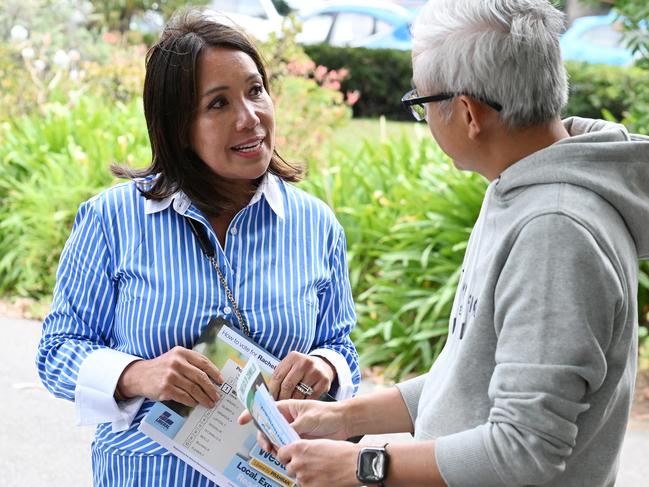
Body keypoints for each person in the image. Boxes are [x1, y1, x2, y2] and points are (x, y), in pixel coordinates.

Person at [240, 0, 649, 485]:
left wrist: (362, 466)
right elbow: (471, 378)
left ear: (469, 113)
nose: (426, 118)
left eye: (423, 103)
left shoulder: (554, 231)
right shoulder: (520, 185)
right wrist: (343, 419)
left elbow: (525, 450)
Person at [36, 8, 360, 485]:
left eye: (255, 91)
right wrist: (136, 374)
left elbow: (341, 345)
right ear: (178, 127)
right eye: (218, 104)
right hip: (145, 474)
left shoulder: (315, 225)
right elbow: (57, 351)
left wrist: (326, 366)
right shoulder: (113, 220)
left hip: (275, 475)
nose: (250, 119)